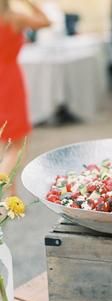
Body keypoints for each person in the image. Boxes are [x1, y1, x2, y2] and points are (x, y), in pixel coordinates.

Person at [0, 0, 50, 185]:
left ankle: (10, 193)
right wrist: (29, 2)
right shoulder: (14, 18)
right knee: (18, 144)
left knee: (7, 138)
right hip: (8, 80)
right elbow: (46, 21)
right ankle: (2, 184)